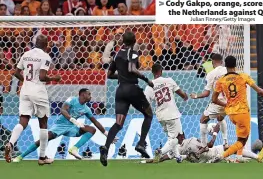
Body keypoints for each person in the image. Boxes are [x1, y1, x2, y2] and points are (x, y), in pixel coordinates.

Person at [13, 89, 116, 162]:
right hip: (61, 125)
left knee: (91, 129)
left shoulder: (86, 109)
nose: (91, 96)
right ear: (83, 94)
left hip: (72, 127)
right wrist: (73, 120)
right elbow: (63, 110)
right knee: (44, 139)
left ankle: (74, 149)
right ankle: (20, 157)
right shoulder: (72, 100)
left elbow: (95, 122)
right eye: (89, 94)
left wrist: (107, 134)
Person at [4, 34, 61, 165]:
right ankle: (42, 157)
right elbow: (42, 77)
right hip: (38, 92)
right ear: (46, 45)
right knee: (43, 123)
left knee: (23, 120)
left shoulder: (26, 54)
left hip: (25, 90)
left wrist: (27, 81)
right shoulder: (45, 56)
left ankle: (11, 143)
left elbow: (16, 73)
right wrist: (54, 78)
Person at [99, 31, 154, 166]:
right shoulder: (133, 52)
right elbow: (132, 68)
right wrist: (146, 79)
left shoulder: (117, 54)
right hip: (132, 89)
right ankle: (141, 144)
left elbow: (109, 75)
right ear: (134, 41)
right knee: (148, 115)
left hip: (120, 91)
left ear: (123, 41)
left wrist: (122, 76)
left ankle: (105, 148)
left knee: (119, 123)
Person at [211, 55, 263, 162]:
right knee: (242, 140)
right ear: (235, 65)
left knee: (241, 137)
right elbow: (259, 91)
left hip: (231, 114)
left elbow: (214, 99)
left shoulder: (221, 80)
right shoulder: (243, 76)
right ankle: (220, 157)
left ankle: (238, 158)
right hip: (242, 112)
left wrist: (226, 105)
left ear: (225, 65)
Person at [141, 123, 263, 164]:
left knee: (233, 149)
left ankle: (243, 157)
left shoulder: (179, 147)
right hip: (212, 154)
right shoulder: (183, 145)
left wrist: (153, 160)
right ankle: (255, 156)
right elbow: (204, 150)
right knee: (233, 147)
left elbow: (167, 157)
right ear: (181, 135)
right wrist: (215, 134)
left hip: (209, 155)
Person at [144, 63, 188, 163]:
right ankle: (160, 151)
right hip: (172, 114)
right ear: (161, 71)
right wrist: (186, 97)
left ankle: (178, 156)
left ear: (152, 72)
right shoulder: (169, 80)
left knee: (171, 138)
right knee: (179, 137)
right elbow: (181, 94)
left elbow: (146, 104)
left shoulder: (149, 87)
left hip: (160, 116)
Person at [190, 54, 228, 147]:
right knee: (220, 118)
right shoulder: (227, 70)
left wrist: (195, 96)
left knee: (203, 120)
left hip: (218, 102)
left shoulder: (211, 74)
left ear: (212, 62)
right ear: (222, 61)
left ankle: (204, 146)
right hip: (229, 102)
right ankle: (225, 143)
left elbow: (206, 94)